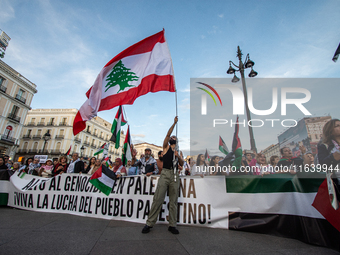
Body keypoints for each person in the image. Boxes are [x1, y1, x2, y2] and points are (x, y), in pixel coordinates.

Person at [142, 116, 184, 235]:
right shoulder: (165, 148)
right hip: (165, 173)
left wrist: (178, 156)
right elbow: (167, 135)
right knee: (158, 198)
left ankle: (172, 225)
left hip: (175, 174)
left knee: (173, 200)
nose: (172, 137)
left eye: (174, 137)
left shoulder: (178, 151)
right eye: (171, 137)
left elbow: (182, 163)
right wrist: (174, 123)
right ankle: (149, 223)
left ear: (176, 141)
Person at [318, 119, 340, 192]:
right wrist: (333, 157)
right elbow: (323, 166)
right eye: (337, 126)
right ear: (330, 132)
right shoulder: (324, 147)